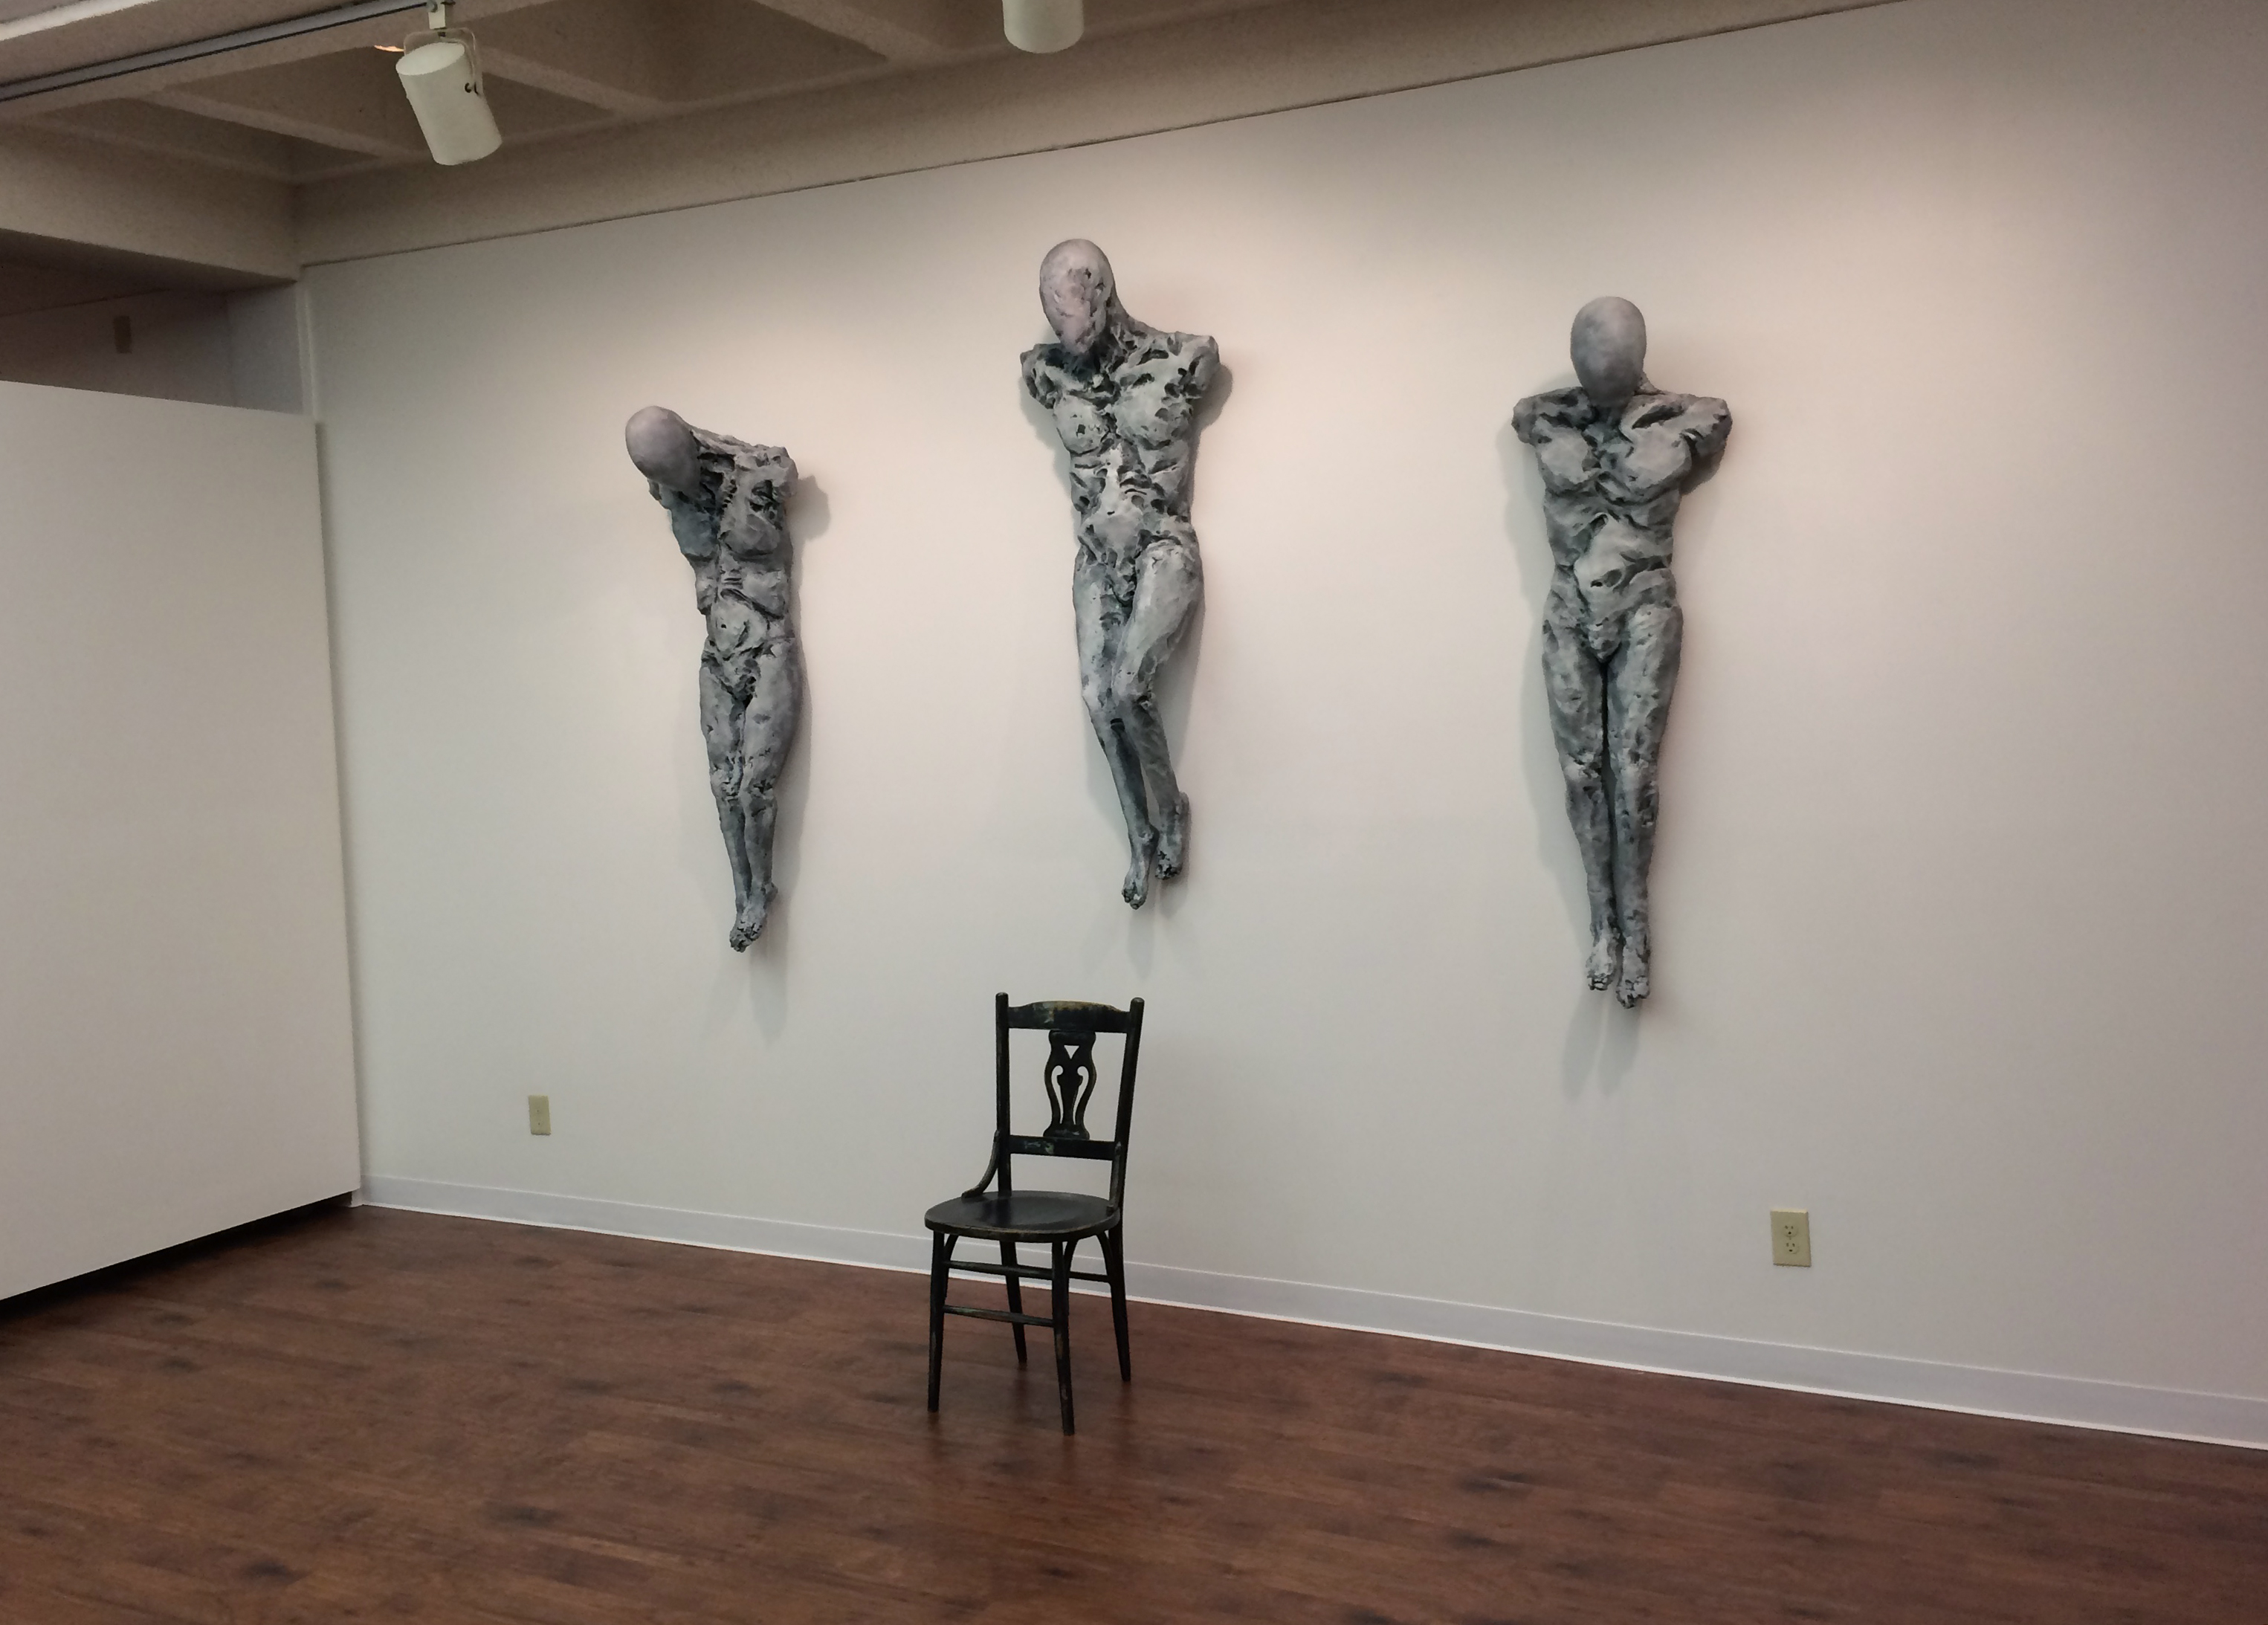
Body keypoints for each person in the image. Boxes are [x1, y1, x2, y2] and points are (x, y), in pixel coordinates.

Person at [1513, 298, 1730, 1007]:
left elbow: (1706, 422)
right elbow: (1533, 418)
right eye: (1586, 359)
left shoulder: (1689, 417)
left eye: (1610, 360)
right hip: (1570, 606)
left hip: (1642, 602)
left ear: (1638, 357)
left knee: (1632, 777)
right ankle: (1602, 927)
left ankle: (1636, 934)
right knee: (1580, 775)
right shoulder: (1543, 418)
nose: (1595, 370)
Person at [1022, 239, 1221, 908]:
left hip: (1162, 539)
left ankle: (1171, 810)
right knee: (1096, 697)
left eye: (1070, 314)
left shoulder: (1184, 357)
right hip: (1095, 555)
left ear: (1101, 292)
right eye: (1052, 319)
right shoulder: (1045, 374)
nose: (1063, 335)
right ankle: (1138, 836)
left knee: (1130, 684)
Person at [625, 406, 803, 951]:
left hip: (768, 645)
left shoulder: (760, 470)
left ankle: (761, 889)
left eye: (671, 468)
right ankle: (744, 894)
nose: (668, 485)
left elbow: (785, 474)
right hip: (717, 651)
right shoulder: (670, 494)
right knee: (721, 785)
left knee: (753, 787)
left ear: (691, 446)